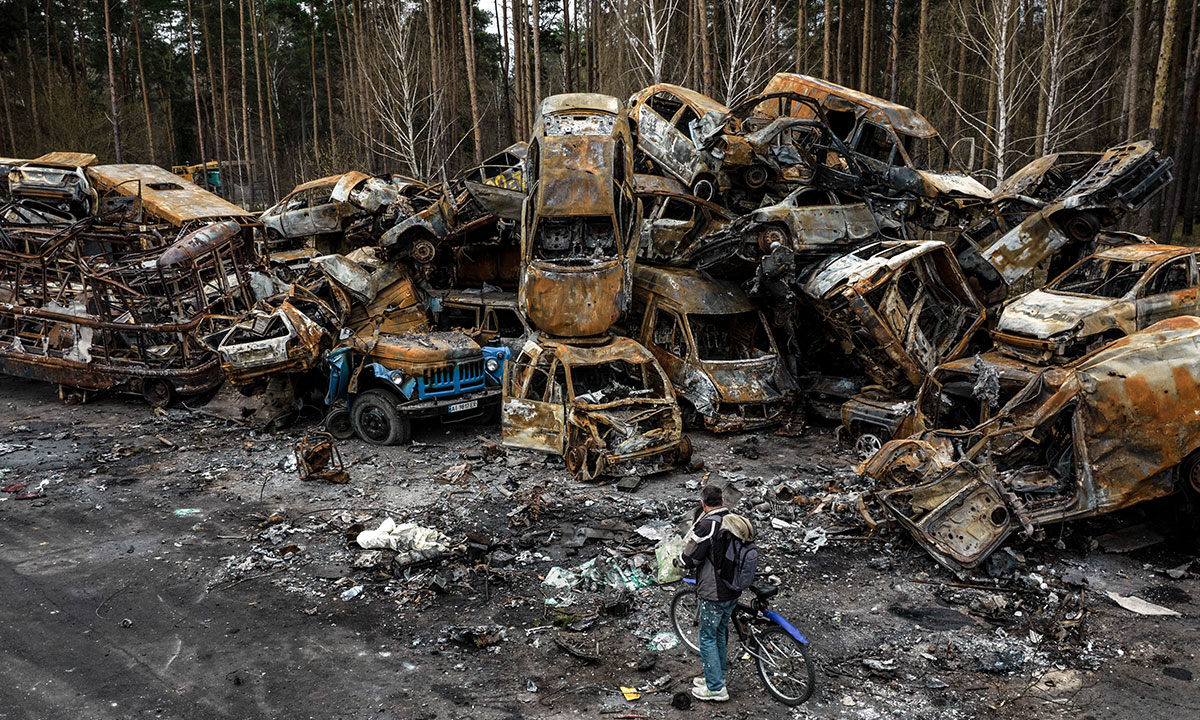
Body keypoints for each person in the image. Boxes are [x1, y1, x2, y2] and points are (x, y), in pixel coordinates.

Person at [677, 484, 738, 702]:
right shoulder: (732, 520)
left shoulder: (707, 525)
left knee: (708, 637)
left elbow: (690, 558)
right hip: (734, 587)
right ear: (722, 502)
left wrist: (679, 561)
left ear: (703, 504)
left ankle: (716, 689)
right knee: (720, 633)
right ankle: (716, 676)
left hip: (714, 591)